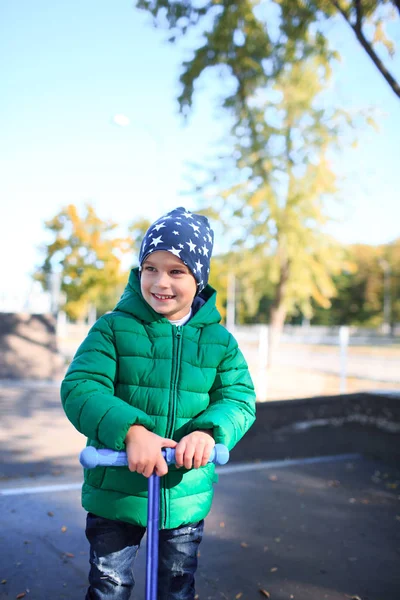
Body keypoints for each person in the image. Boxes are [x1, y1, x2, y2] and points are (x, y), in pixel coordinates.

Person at [61, 206, 256, 600]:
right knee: (109, 585)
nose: (160, 281)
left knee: (177, 584)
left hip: (184, 490)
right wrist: (131, 431)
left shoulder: (219, 342)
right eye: (150, 267)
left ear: (198, 278)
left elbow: (239, 398)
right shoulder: (114, 328)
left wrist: (208, 431)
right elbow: (81, 387)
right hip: (116, 488)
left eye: (176, 271)